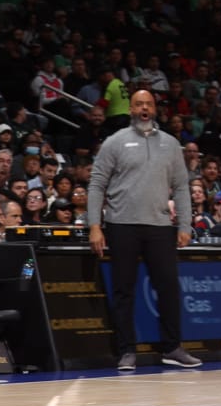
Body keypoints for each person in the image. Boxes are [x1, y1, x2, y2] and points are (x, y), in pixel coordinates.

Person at [86, 88, 201, 372]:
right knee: (124, 290)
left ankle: (172, 348)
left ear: (155, 108)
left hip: (161, 226)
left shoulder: (172, 144)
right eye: (139, 104)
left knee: (169, 289)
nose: (144, 109)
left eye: (148, 104)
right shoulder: (115, 142)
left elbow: (182, 187)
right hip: (121, 224)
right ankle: (126, 351)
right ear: (131, 109)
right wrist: (94, 226)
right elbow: (97, 185)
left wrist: (184, 224)